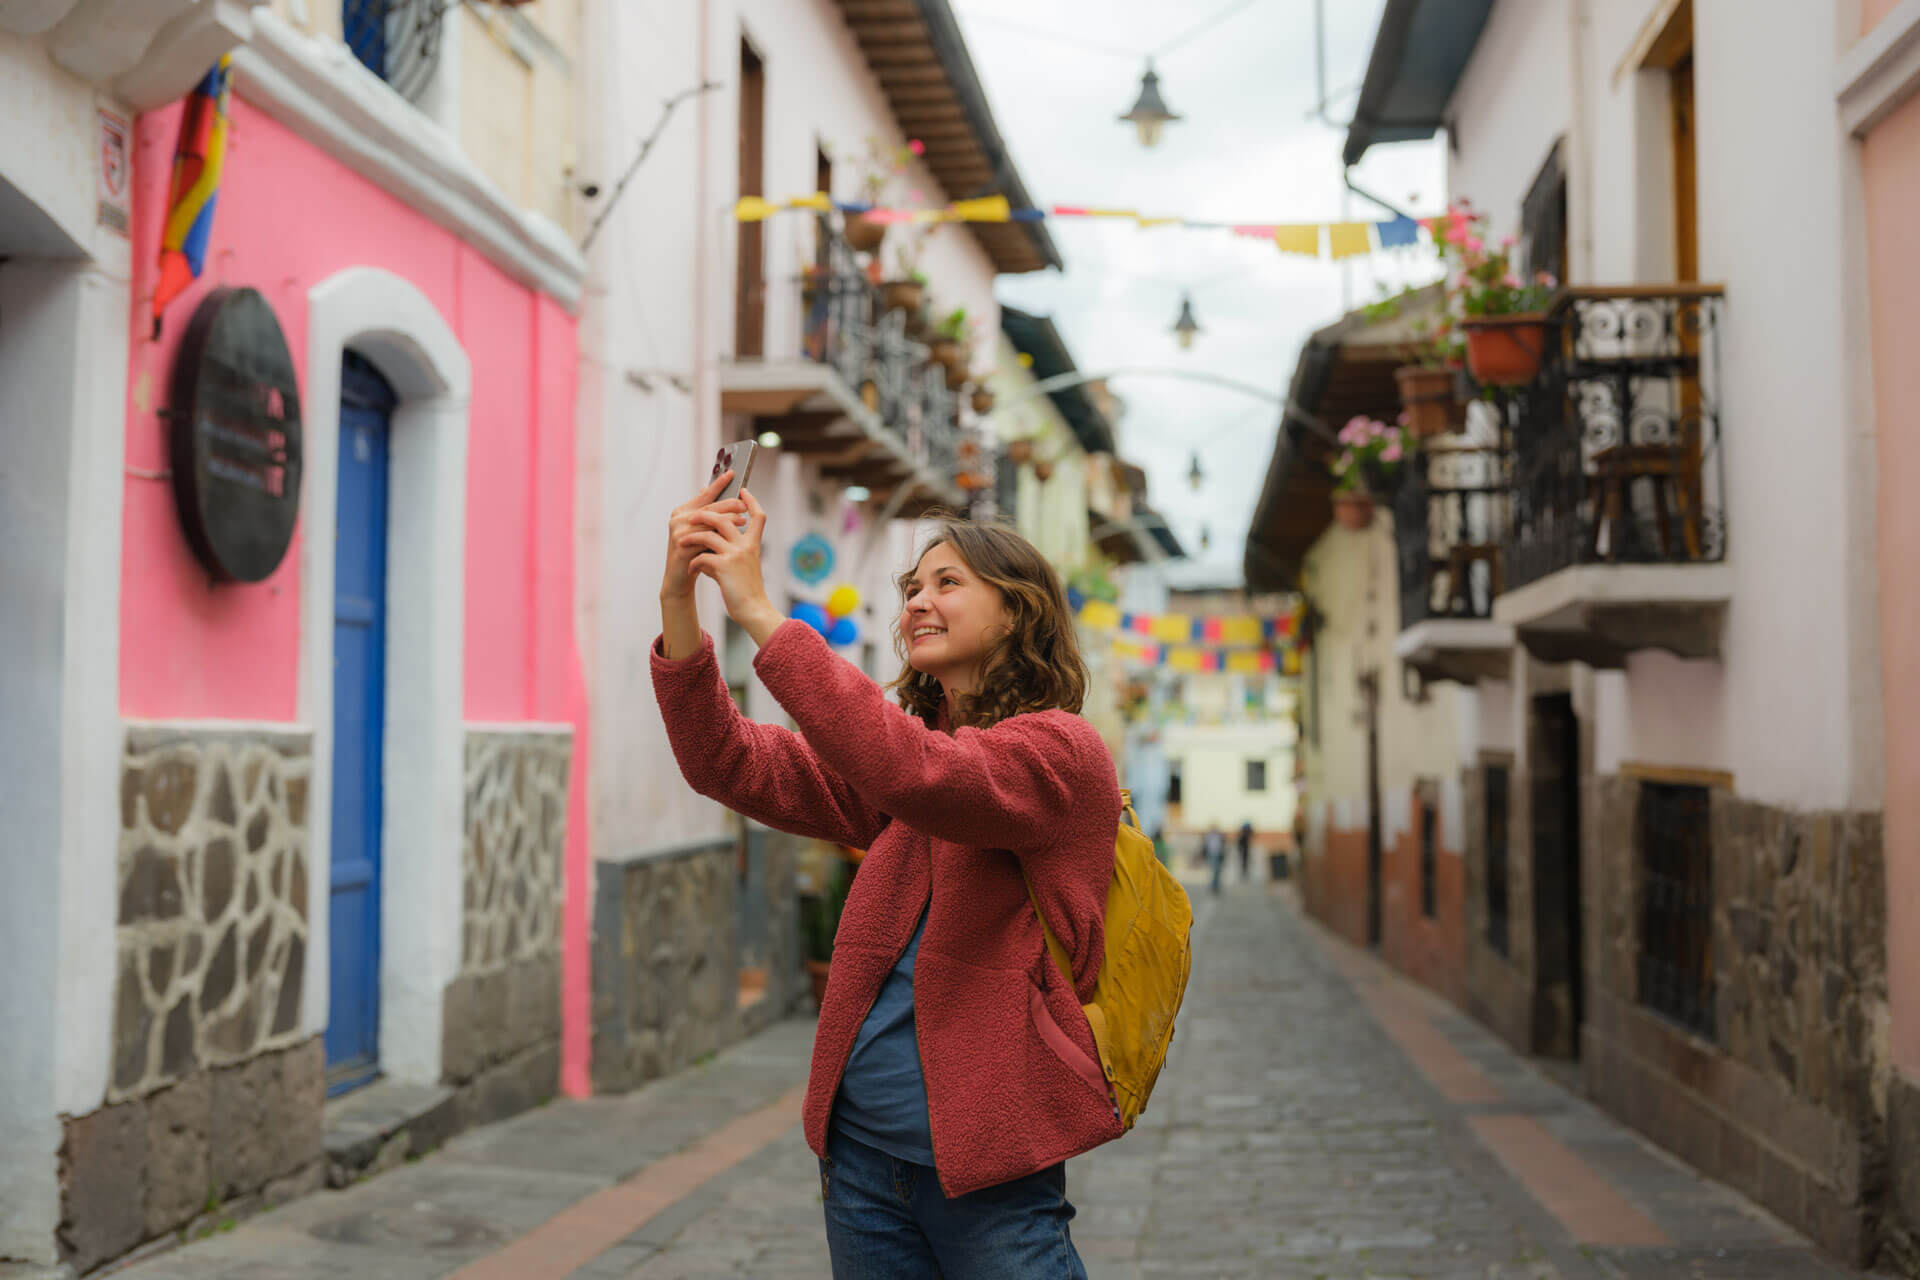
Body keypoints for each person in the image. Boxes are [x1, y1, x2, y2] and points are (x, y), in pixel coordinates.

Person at [653, 471, 1116, 1278]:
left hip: (990, 1175)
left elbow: (921, 774)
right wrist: (677, 601)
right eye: (910, 589)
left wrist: (760, 610)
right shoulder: (908, 761)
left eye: (947, 583)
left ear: (1017, 610)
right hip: (862, 1162)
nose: (917, 603)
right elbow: (725, 760)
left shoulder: (1060, 753)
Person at [1202, 824, 1227, 896]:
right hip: (1211, 855)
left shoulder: (1219, 837)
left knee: (1217, 872)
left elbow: (1222, 847)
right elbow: (1206, 847)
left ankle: (1215, 886)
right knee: (1213, 872)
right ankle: (1213, 886)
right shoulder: (1209, 837)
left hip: (1218, 856)